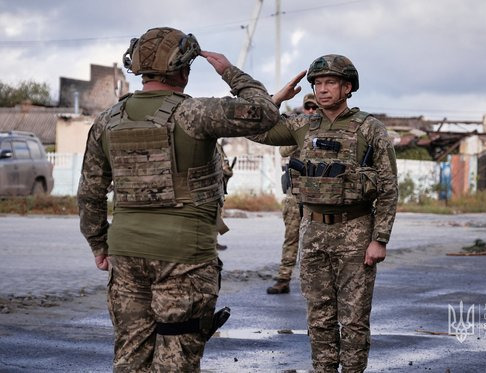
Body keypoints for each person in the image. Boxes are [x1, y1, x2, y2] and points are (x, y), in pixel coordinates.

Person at [77, 27, 279, 372]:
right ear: (184, 70)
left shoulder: (106, 121)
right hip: (184, 256)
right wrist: (231, 72)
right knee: (176, 360)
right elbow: (264, 112)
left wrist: (99, 244)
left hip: (125, 254)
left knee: (130, 355)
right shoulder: (196, 113)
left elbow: (90, 193)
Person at [251, 54, 398, 372]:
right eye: (317, 83)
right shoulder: (303, 125)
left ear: (347, 87)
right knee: (319, 318)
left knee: (354, 320)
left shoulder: (370, 130)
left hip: (355, 231)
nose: (322, 89)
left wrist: (380, 239)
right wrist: (277, 99)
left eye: (330, 82)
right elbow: (255, 131)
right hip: (313, 230)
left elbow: (388, 188)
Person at [267, 93, 318, 294]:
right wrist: (301, 135)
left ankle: (313, 282)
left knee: (316, 241)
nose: (312, 111)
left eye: (315, 108)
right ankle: (283, 278)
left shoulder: (326, 130)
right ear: (304, 109)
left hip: (318, 196)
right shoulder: (298, 128)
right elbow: (283, 151)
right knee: (291, 238)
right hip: (295, 194)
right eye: (308, 107)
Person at [215, 142, 234, 251]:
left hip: (218, 187)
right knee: (212, 215)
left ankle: (214, 242)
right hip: (213, 186)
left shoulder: (217, 145)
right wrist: (227, 171)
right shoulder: (213, 144)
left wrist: (228, 171)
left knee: (216, 215)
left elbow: (225, 165)